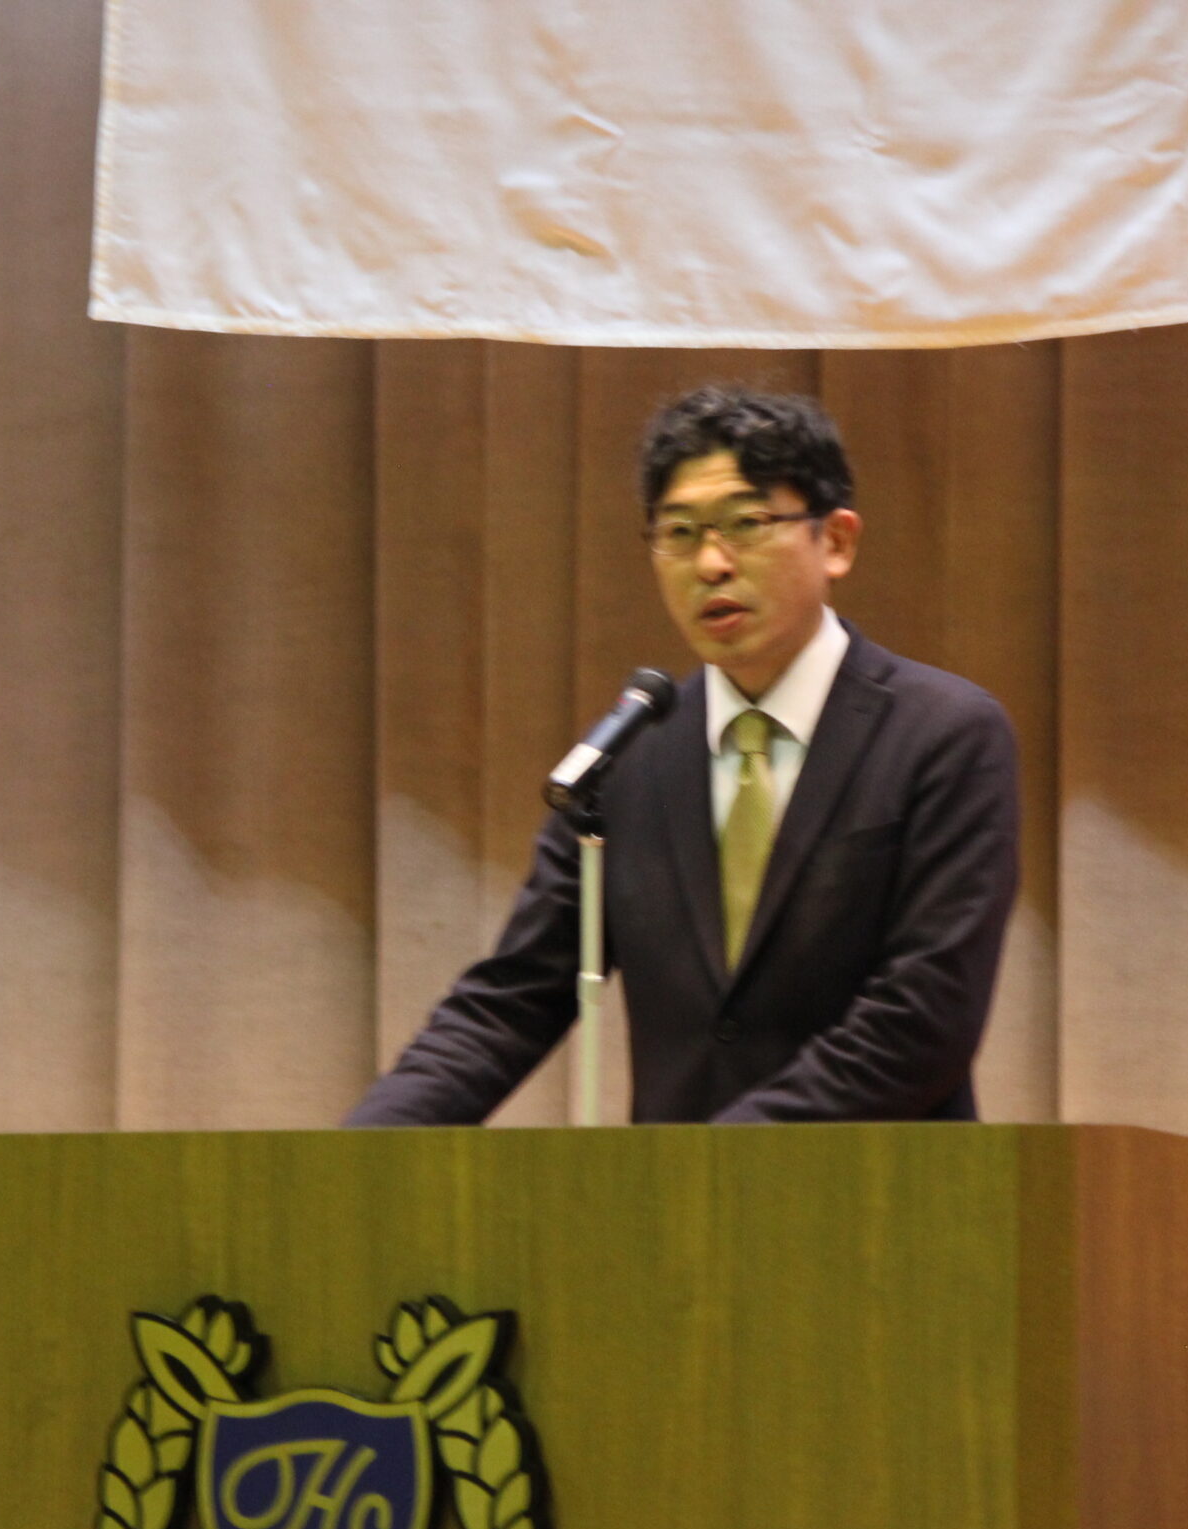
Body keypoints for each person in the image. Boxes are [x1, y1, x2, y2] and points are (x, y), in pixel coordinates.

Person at [345, 385, 1019, 1126]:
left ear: (836, 541)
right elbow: (510, 1001)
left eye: (746, 524)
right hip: (679, 1199)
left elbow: (923, 1019)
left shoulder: (943, 735)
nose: (711, 563)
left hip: (887, 1190)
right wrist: (355, 1154)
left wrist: (716, 1163)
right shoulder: (632, 755)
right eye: (680, 532)